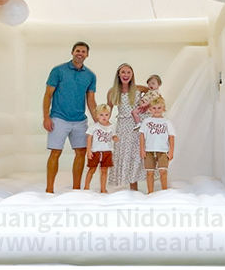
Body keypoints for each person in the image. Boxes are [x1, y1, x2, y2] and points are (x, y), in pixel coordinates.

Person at [43, 41, 97, 193]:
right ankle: (49, 190)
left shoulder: (90, 75)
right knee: (55, 152)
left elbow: (91, 101)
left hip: (79, 120)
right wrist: (46, 117)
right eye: (78, 51)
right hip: (58, 118)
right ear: (72, 52)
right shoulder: (58, 71)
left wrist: (98, 122)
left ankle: (76, 189)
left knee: (81, 152)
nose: (80, 53)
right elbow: (48, 95)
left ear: (87, 55)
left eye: (83, 51)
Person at [106, 63, 148, 191]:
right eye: (123, 72)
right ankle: (131, 188)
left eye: (128, 72)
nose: (126, 75)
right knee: (125, 154)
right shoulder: (113, 92)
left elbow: (154, 93)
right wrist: (104, 128)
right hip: (123, 127)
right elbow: (108, 111)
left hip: (136, 125)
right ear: (118, 74)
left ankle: (136, 188)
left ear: (132, 74)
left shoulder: (139, 89)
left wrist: (146, 105)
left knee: (136, 154)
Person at [138, 97, 175, 193]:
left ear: (163, 109)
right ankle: (150, 192)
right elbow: (142, 135)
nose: (156, 110)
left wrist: (171, 151)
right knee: (150, 173)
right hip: (149, 151)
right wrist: (142, 149)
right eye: (154, 108)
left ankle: (164, 192)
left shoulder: (167, 122)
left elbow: (171, 137)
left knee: (163, 171)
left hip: (163, 151)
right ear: (150, 109)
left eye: (159, 108)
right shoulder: (146, 121)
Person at [84, 104, 117, 193]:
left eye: (106, 115)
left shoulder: (112, 126)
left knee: (104, 171)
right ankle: (86, 187)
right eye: (101, 115)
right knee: (92, 169)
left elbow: (113, 135)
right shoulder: (94, 126)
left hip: (107, 152)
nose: (104, 117)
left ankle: (103, 189)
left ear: (109, 115)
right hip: (95, 152)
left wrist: (115, 138)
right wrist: (88, 150)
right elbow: (89, 138)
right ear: (97, 115)